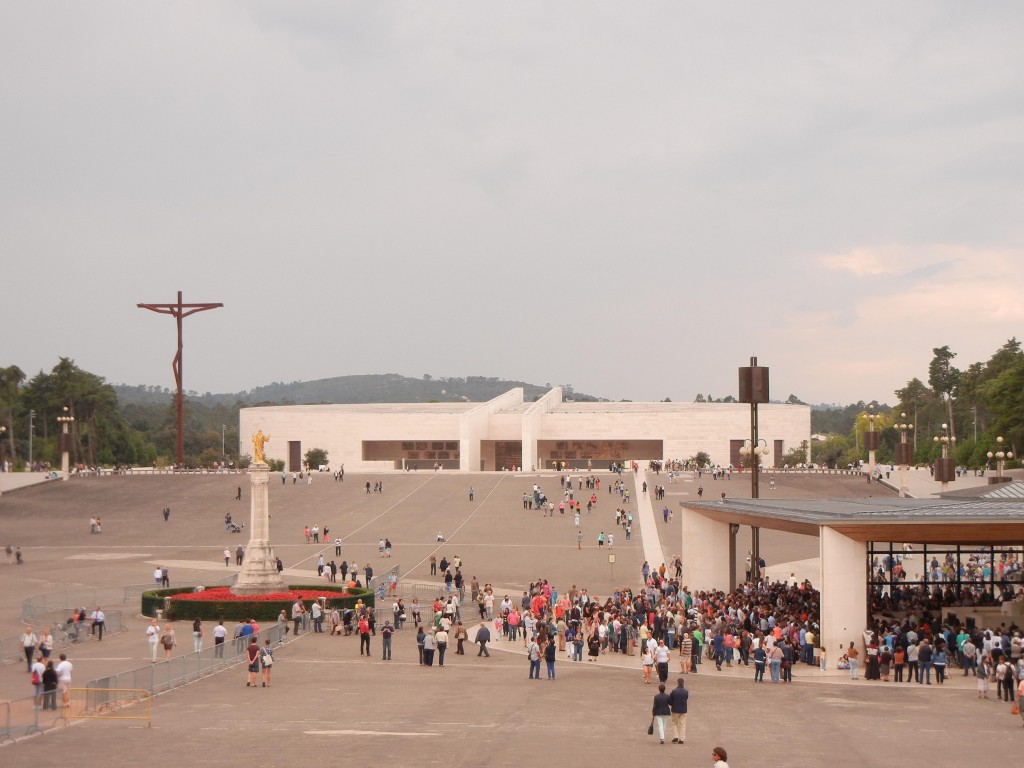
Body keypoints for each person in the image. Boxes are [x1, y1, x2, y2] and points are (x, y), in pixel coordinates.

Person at [669, 677, 689, 744]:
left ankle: (676, 736)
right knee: (682, 724)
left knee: (674, 723)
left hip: (675, 709)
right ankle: (682, 738)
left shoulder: (674, 691)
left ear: (677, 683)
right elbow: (686, 698)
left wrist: (672, 704)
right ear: (683, 683)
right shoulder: (686, 691)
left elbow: (670, 700)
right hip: (683, 710)